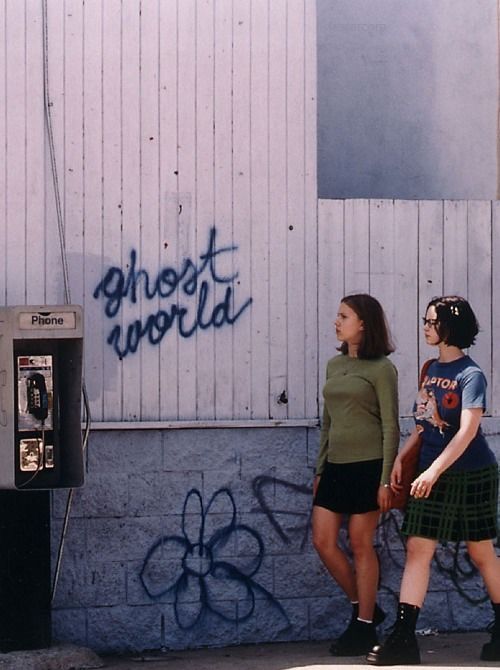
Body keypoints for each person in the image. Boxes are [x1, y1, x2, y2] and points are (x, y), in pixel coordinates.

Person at [367, 295, 500, 665]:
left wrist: (433, 471)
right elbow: (426, 423)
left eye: (431, 322)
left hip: (470, 474)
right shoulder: (429, 369)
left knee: (480, 551)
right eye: (425, 320)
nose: (425, 327)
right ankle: (404, 638)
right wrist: (402, 458)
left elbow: (467, 430)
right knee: (418, 548)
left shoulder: (471, 375)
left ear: (449, 327)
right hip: (429, 469)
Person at [312, 293, 400, 656]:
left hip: (368, 468)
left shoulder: (382, 368)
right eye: (338, 316)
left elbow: (391, 427)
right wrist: (320, 468)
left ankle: (363, 626)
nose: (337, 321)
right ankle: (366, 607)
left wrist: (385, 480)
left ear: (363, 323)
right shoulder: (334, 366)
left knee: (362, 544)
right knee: (323, 541)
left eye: (344, 316)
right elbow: (327, 423)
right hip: (335, 467)